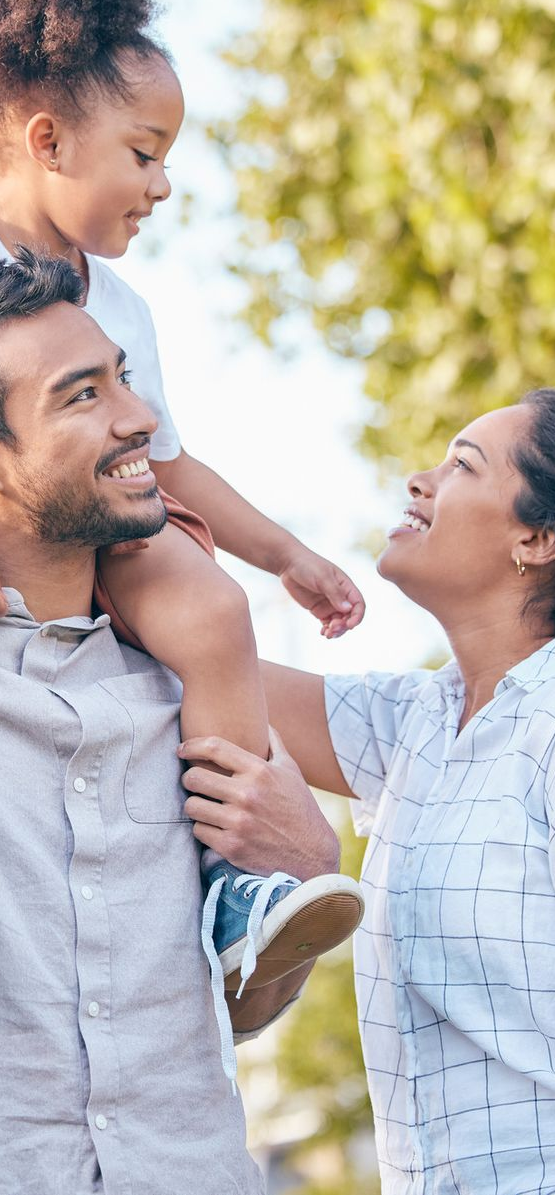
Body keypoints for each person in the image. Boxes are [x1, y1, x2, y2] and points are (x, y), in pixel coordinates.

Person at [0, 0, 364, 999]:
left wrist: (284, 556)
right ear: (43, 139)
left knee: (210, 612)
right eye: (144, 154)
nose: (161, 186)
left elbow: (165, 461)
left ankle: (231, 889)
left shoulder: (117, 305)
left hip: (85, 528)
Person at [0, 248, 345, 1195]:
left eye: (123, 376)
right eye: (83, 396)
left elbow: (249, 1007)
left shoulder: (195, 685)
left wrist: (302, 867)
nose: (140, 417)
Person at [182, 392, 555, 1194]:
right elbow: (197, 649)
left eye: (461, 464)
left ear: (537, 537)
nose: (419, 481)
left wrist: (314, 860)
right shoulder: (416, 720)